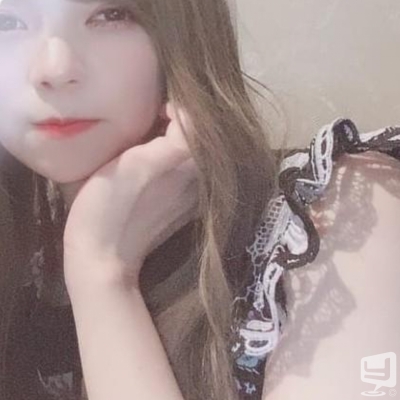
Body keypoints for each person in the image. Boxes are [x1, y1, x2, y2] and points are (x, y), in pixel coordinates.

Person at [0, 1, 399, 400]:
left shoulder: (342, 213)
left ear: (183, 34)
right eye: (8, 21)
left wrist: (101, 273)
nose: (55, 69)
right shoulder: (24, 258)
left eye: (111, 14)